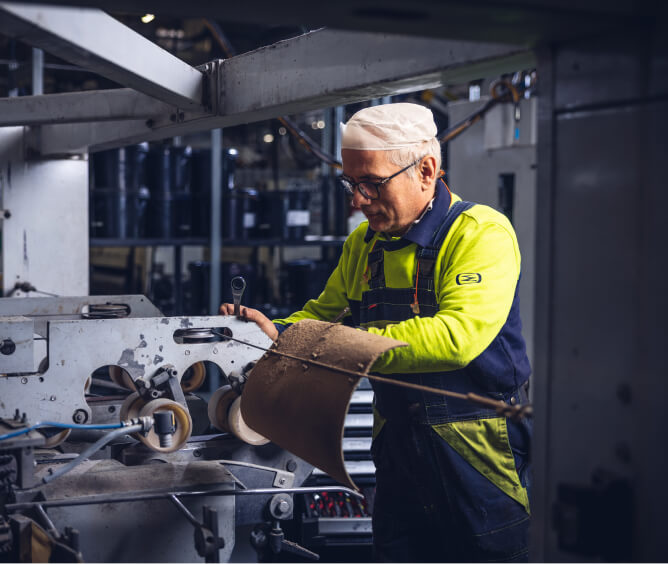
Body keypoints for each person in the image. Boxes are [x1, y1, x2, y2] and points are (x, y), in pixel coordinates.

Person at [219, 103, 531, 562]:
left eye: (371, 184)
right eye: (351, 184)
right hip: (397, 448)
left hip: (477, 453)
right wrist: (274, 330)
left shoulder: (480, 234)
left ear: (426, 170)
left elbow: (457, 338)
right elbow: (323, 315)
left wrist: (327, 346)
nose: (358, 201)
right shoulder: (364, 244)